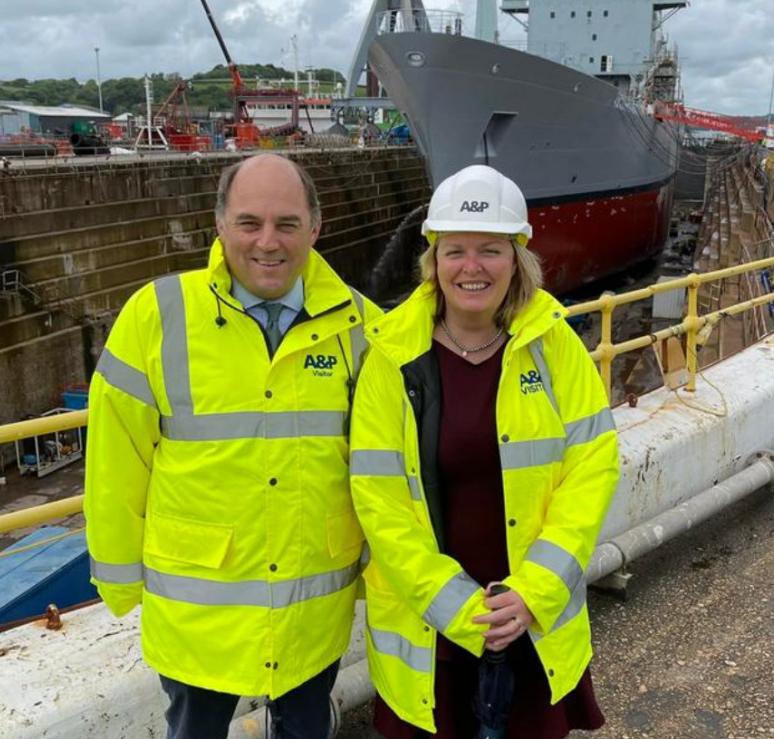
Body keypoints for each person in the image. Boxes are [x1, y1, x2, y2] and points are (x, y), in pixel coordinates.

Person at [84, 153, 381, 739]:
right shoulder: (159, 315)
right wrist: (117, 580)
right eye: (250, 223)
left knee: (305, 730)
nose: (268, 242)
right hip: (200, 616)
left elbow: (383, 467)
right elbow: (117, 462)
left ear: (316, 228)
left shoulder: (360, 326)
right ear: (219, 225)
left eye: (287, 224)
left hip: (310, 608)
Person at [349, 165, 619, 737]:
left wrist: (532, 593)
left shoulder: (554, 346)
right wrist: (460, 609)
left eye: (490, 250)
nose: (472, 267)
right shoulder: (392, 358)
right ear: (434, 261)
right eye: (456, 251)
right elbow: (379, 499)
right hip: (430, 632)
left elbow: (591, 468)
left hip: (533, 623)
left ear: (517, 257)